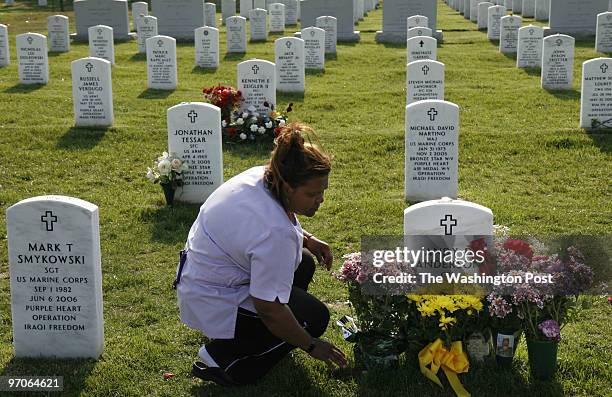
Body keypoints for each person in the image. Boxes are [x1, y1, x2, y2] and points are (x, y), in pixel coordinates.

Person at [175, 123, 347, 386]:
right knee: (315, 318)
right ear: (288, 187)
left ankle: (259, 336)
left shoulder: (264, 176)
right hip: (214, 295)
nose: (320, 199)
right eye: (312, 193)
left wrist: (307, 239)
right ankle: (224, 359)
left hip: (202, 277)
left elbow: (254, 228)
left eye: (323, 191)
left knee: (303, 263)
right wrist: (310, 344)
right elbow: (268, 308)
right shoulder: (275, 233)